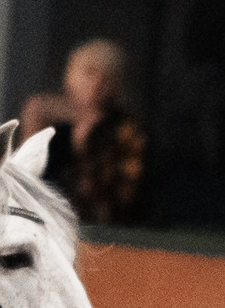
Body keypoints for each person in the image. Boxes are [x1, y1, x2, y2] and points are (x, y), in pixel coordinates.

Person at [18, 39, 147, 224]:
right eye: (89, 73)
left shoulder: (125, 131)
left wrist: (87, 140)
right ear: (70, 74)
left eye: (107, 79)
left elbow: (122, 199)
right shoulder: (54, 124)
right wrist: (34, 123)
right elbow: (27, 182)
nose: (97, 84)